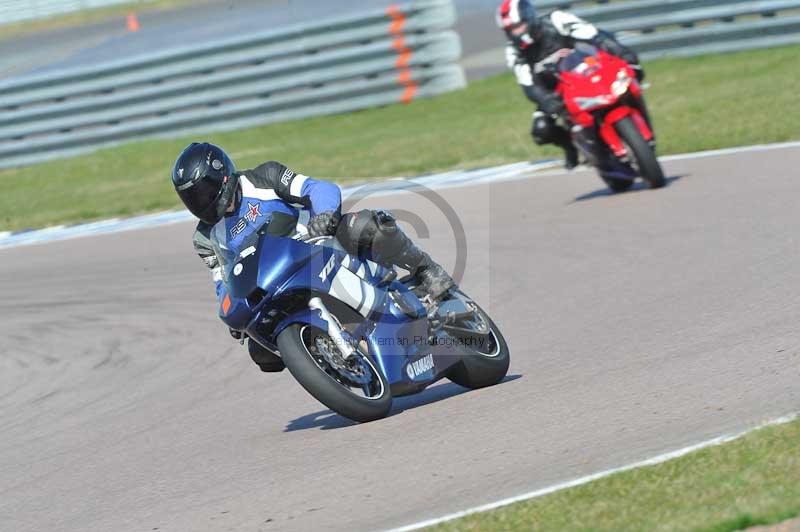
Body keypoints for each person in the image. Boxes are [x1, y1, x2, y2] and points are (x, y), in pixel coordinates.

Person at [171, 142, 456, 371]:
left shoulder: (263, 177)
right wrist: (233, 310)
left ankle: (426, 272)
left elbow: (317, 188)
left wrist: (324, 215)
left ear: (221, 174)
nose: (201, 202)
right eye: (193, 198)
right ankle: (322, 360)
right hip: (276, 283)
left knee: (367, 226)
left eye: (204, 191)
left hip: (319, 246)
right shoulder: (205, 238)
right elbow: (222, 279)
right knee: (260, 350)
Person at [497, 0, 644, 169]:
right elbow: (527, 83)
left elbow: (596, 36)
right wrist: (546, 100)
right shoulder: (514, 51)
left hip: (587, 72)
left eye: (518, 26)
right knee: (541, 129)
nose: (516, 33)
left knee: (627, 81)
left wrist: (624, 55)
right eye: (510, 30)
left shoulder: (556, 20)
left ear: (529, 18)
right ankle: (571, 146)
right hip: (556, 92)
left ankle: (638, 124)